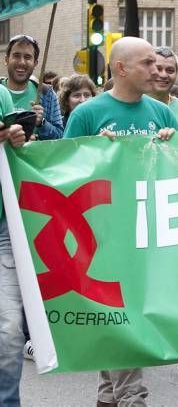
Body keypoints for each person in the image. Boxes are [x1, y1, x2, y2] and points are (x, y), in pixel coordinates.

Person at [64, 37, 177, 407]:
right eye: (147, 63)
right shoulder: (87, 114)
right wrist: (92, 151)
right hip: (104, 237)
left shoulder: (163, 114)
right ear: (120, 69)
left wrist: (172, 146)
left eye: (158, 64)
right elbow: (61, 174)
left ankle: (109, 399)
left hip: (149, 233)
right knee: (125, 322)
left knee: (122, 323)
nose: (156, 70)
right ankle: (133, 400)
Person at [0, 84, 32, 406]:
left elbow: (17, 152)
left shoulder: (1, 95)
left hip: (3, 227)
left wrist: (17, 138)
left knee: (9, 331)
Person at [2, 34, 63, 140]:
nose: (21, 62)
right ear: (6, 60)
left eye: (27, 57)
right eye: (16, 55)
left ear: (35, 63)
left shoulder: (46, 93)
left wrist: (42, 123)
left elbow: (60, 137)